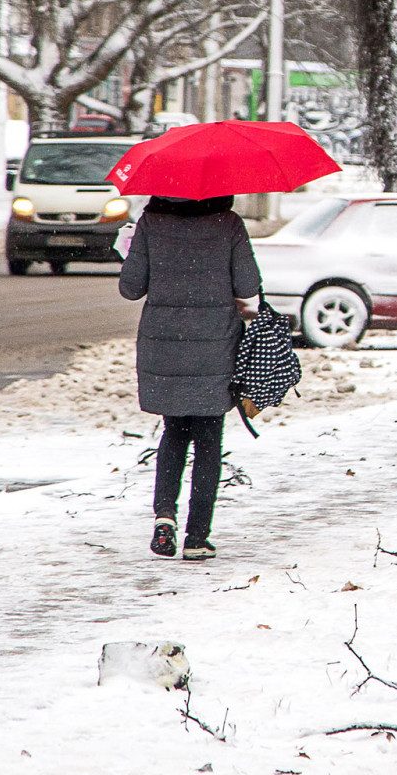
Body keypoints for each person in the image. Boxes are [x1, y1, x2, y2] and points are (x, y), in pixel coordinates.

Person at [119, 194, 259, 561]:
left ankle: (164, 518)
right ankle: (197, 536)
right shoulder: (227, 224)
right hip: (214, 344)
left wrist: (135, 246)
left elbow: (130, 288)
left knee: (174, 431)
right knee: (209, 438)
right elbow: (248, 286)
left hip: (165, 343)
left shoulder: (152, 222)